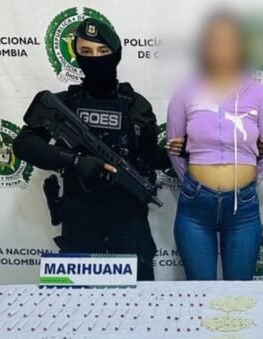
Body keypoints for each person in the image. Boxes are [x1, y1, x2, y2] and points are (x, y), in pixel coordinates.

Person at [13, 18, 164, 281]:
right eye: (86, 51)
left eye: (102, 51)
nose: (95, 58)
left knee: (137, 304)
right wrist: (73, 161)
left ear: (116, 54)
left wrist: (182, 153)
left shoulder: (137, 106)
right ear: (76, 55)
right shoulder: (64, 104)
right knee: (77, 305)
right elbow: (23, 144)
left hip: (128, 224)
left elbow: (150, 157)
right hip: (80, 222)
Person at [165, 11, 263, 281]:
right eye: (215, 40)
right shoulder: (185, 91)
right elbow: (174, 148)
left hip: (243, 209)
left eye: (229, 40)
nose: (222, 47)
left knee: (239, 297)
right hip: (195, 208)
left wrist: (246, 180)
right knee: (200, 294)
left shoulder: (258, 94)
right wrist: (195, 183)